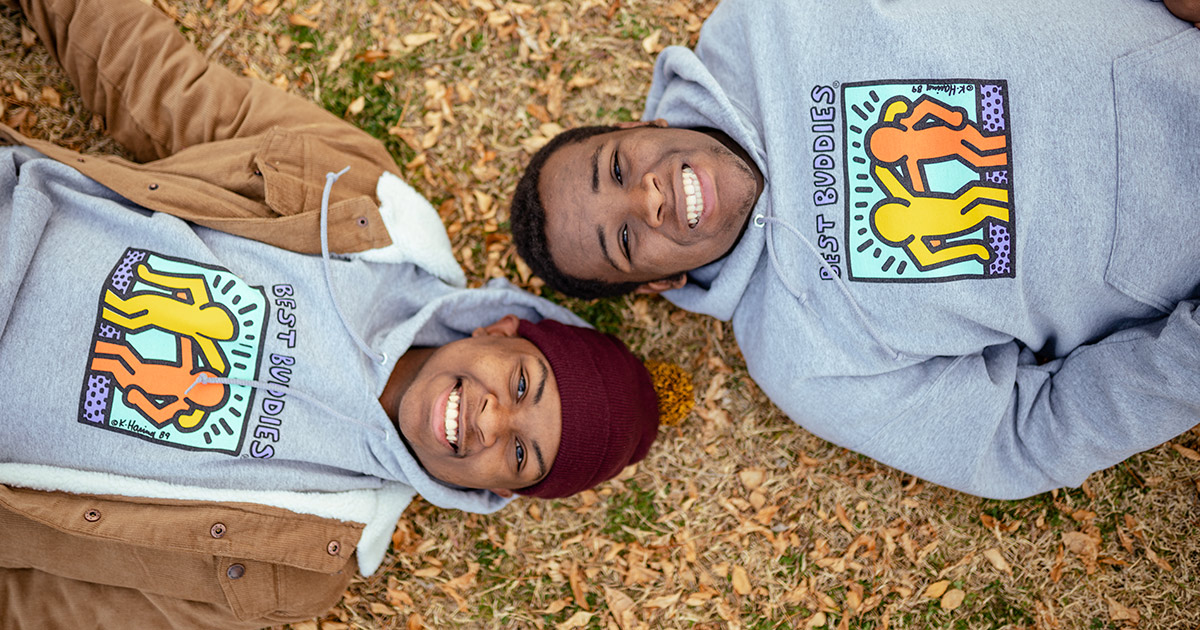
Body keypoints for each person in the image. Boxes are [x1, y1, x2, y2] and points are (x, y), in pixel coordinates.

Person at [0, 0, 690, 627]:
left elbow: (52, 610)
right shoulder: (361, 203)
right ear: (499, 330)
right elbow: (166, 94)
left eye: (518, 452)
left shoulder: (297, 566)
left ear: (493, 495)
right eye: (520, 386)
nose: (490, 419)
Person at [511, 0, 1200, 500]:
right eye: (626, 240)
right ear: (659, 284)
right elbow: (1019, 441)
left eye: (618, 168)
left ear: (642, 124)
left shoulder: (768, 20)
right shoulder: (803, 362)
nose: (650, 198)